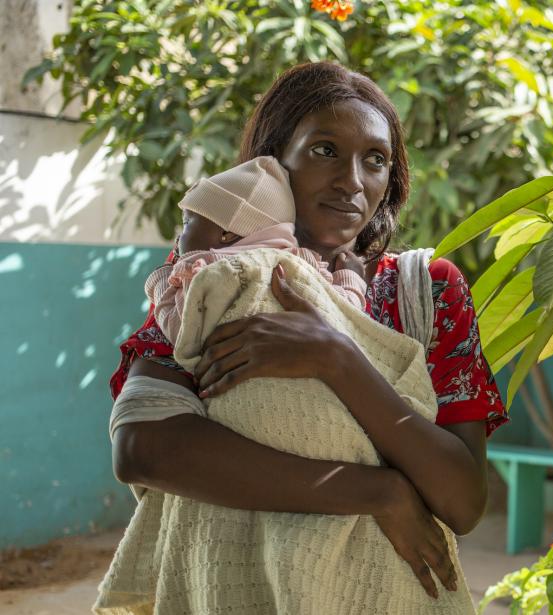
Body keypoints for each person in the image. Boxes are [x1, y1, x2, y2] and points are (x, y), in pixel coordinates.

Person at [100, 62, 508, 613]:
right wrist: (378, 492)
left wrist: (334, 356)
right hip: (236, 589)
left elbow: (462, 500)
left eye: (376, 160)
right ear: (273, 161)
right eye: (324, 151)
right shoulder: (221, 274)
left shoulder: (425, 292)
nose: (352, 181)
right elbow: (144, 447)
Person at [144, 154, 368, 348]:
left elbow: (181, 331)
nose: (179, 238)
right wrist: (351, 279)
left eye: (187, 224)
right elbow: (343, 320)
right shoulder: (299, 266)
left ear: (227, 234)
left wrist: (161, 281)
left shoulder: (206, 275)